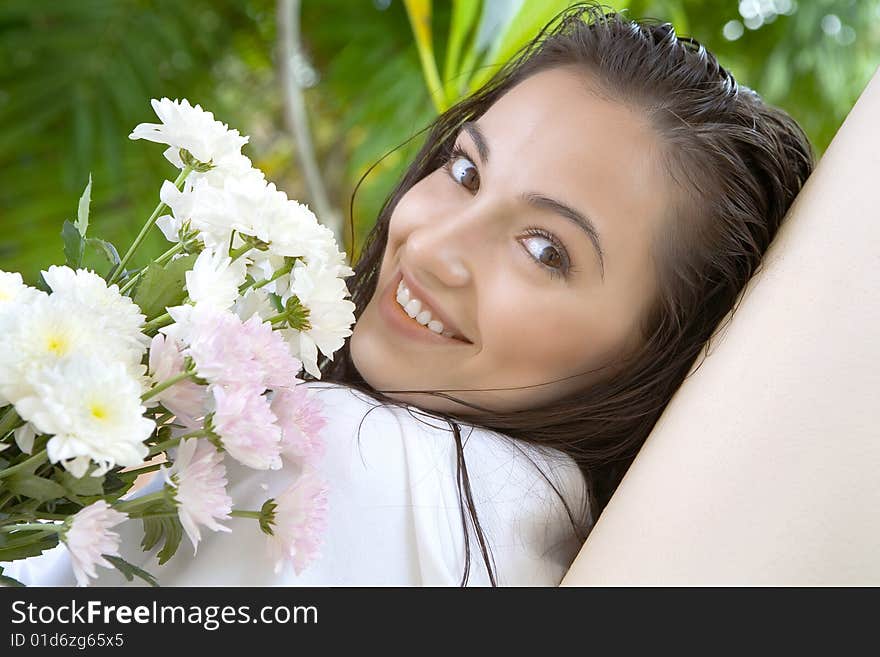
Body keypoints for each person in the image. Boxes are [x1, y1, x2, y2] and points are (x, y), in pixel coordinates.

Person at [4, 2, 814, 587]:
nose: (430, 244)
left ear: (660, 355)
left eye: (545, 249)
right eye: (465, 171)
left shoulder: (366, 464)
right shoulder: (526, 529)